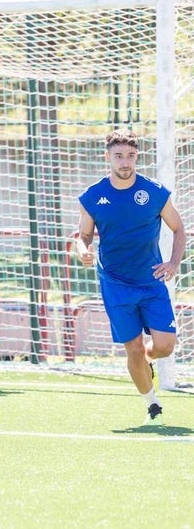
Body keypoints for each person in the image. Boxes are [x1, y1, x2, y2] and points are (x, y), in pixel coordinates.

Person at [77, 129, 185, 426]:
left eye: (131, 156)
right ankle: (151, 402)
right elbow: (83, 236)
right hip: (114, 283)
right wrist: (82, 251)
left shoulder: (153, 192)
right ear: (107, 157)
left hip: (150, 282)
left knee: (165, 345)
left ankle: (146, 362)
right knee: (133, 348)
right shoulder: (94, 195)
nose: (125, 162)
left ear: (137, 156)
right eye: (119, 156)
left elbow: (179, 228)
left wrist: (174, 262)